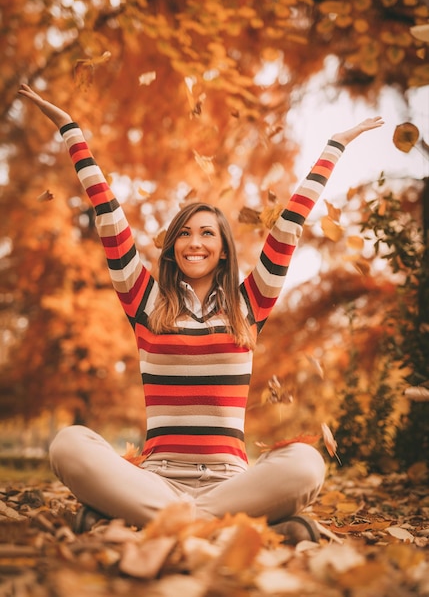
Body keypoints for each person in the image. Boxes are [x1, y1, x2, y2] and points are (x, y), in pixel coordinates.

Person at [18, 83, 383, 543]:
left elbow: (289, 226)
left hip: (233, 481)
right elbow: (107, 213)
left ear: (224, 249)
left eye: (208, 234)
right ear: (172, 247)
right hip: (156, 477)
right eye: (185, 234)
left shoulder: (249, 304)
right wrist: (70, 130)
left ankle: (151, 520)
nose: (195, 243)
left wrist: (336, 144)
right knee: (69, 444)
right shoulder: (144, 300)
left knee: (306, 463)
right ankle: (226, 526)